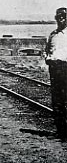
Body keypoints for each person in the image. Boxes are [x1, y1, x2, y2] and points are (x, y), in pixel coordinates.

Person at [46, 7, 67, 140]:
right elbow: (47, 49)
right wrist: (47, 58)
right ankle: (61, 132)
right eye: (59, 17)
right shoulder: (53, 35)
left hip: (66, 67)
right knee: (57, 101)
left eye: (64, 17)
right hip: (54, 69)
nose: (61, 19)